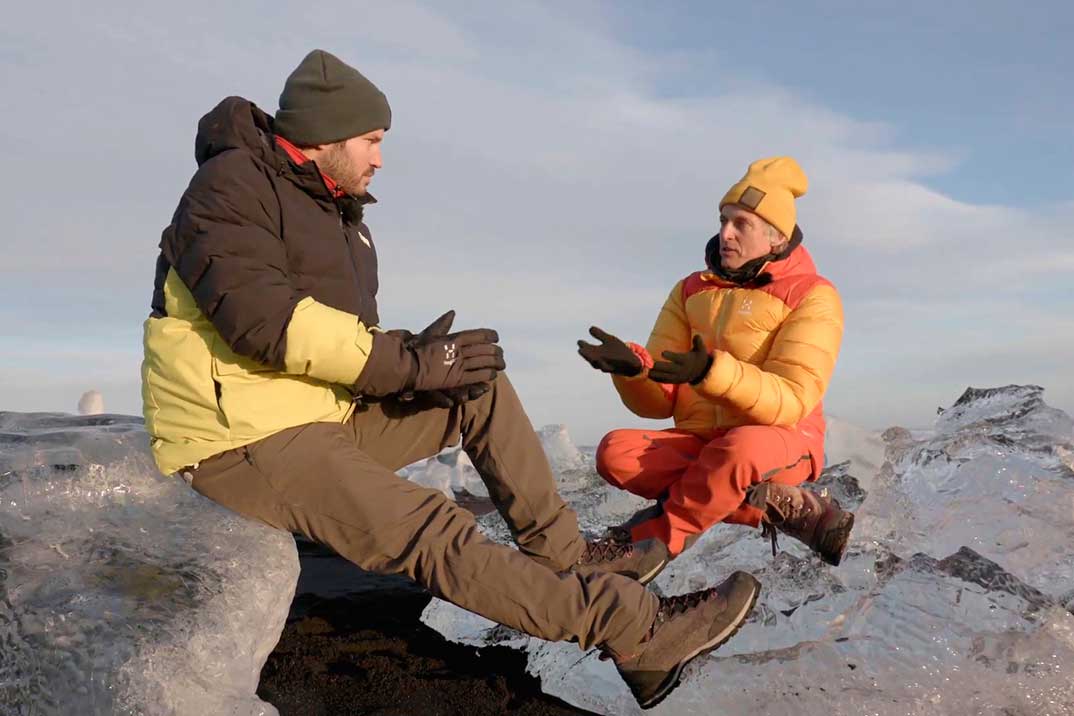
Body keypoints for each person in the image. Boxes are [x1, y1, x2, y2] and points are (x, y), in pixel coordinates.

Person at [140, 49, 760, 709]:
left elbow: (336, 339)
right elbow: (266, 323)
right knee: (430, 526)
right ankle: (635, 633)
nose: (380, 158)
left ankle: (565, 554)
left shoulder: (331, 208)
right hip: (241, 436)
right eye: (372, 141)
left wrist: (421, 357)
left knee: (477, 384)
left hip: (317, 412)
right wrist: (411, 362)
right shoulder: (231, 187)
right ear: (325, 135)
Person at [578, 157, 854, 566]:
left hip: (781, 441)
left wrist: (711, 372)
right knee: (615, 454)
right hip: (705, 443)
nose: (726, 233)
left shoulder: (813, 295)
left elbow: (793, 398)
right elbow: (661, 402)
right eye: (724, 220)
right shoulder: (690, 290)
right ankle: (794, 512)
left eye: (742, 224)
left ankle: (649, 543)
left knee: (739, 451)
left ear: (776, 237)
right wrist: (634, 373)